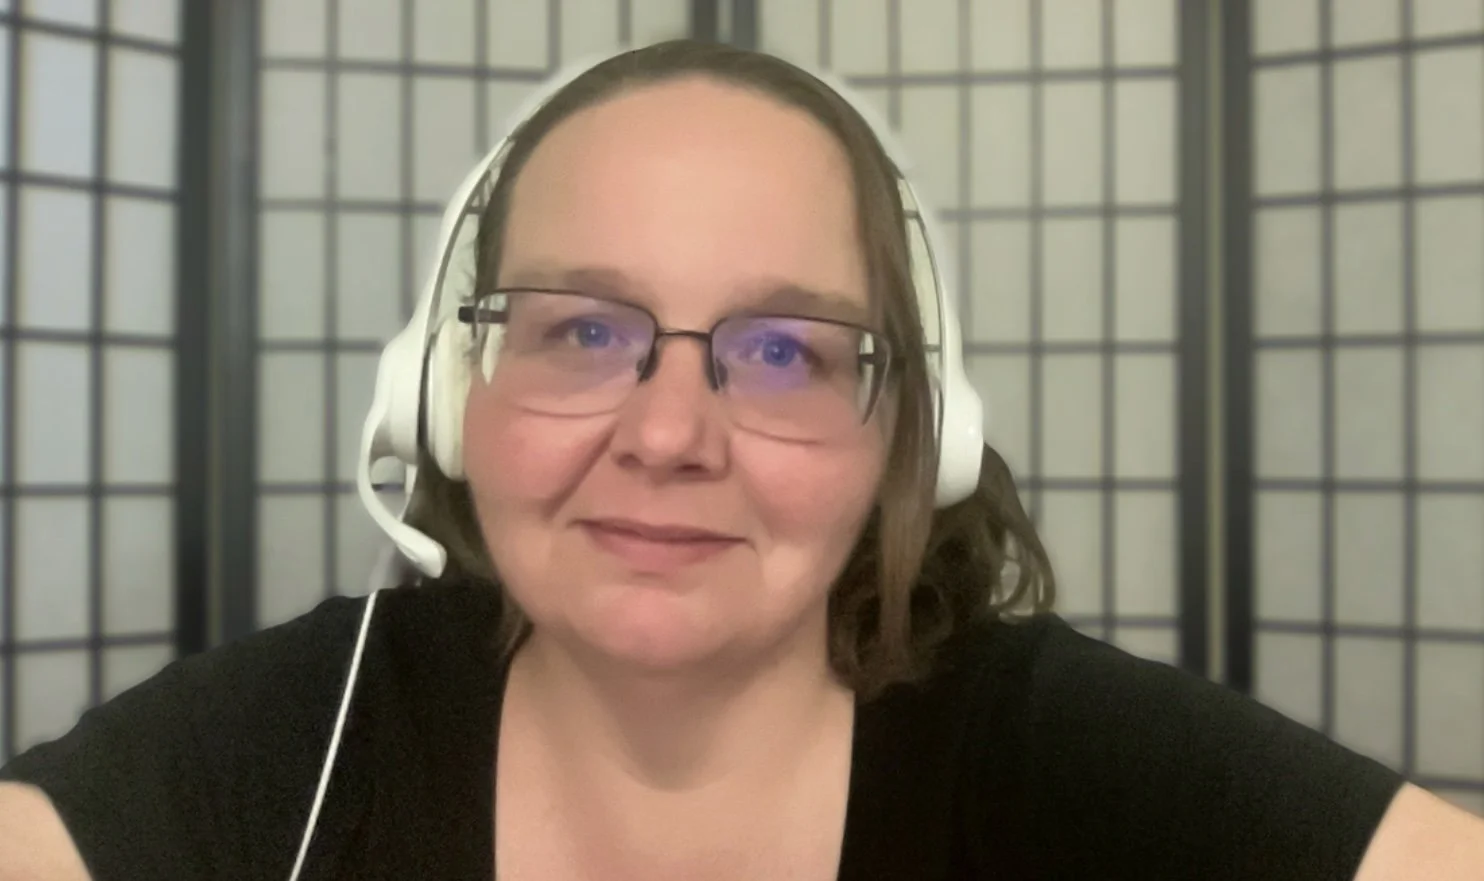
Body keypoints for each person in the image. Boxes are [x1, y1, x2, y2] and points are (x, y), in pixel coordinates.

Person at [2, 39, 1481, 881]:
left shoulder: (1065, 766)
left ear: (918, 432)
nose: (665, 436)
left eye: (782, 350)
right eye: (582, 330)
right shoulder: (288, 751)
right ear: (449, 389)